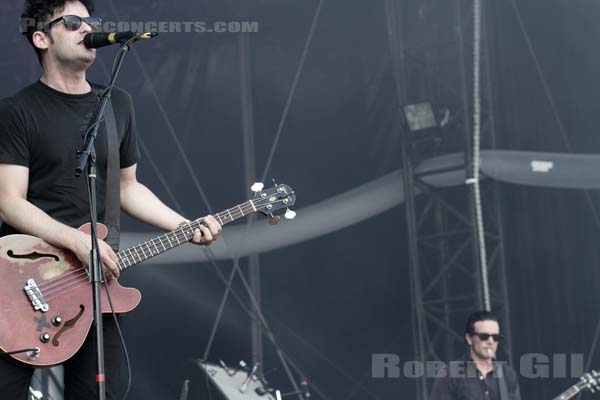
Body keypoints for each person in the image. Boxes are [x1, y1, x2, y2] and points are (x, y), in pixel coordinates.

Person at [0, 1, 222, 398]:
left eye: (91, 21)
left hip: (95, 285)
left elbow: (127, 187)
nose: (87, 28)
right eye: (72, 22)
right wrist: (77, 241)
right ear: (41, 38)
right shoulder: (16, 112)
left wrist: (184, 226)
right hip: (22, 281)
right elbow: (9, 202)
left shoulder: (117, 104)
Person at [429, 310, 521, 400]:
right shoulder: (449, 376)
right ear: (469, 338)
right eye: (484, 337)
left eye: (496, 337)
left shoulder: (508, 375)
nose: (491, 341)